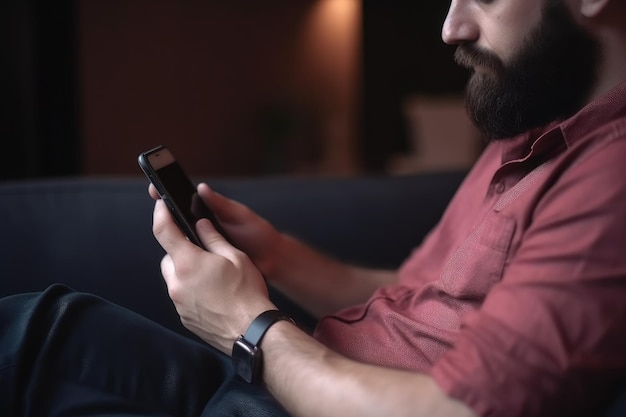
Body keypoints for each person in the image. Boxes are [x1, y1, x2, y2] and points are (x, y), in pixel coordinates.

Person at [2, 0, 626, 416]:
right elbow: (423, 293)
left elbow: (465, 411)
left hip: (282, 396)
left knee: (42, 333)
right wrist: (278, 258)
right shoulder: (532, 124)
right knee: (55, 325)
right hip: (285, 385)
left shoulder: (610, 176)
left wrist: (248, 327)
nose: (451, 27)